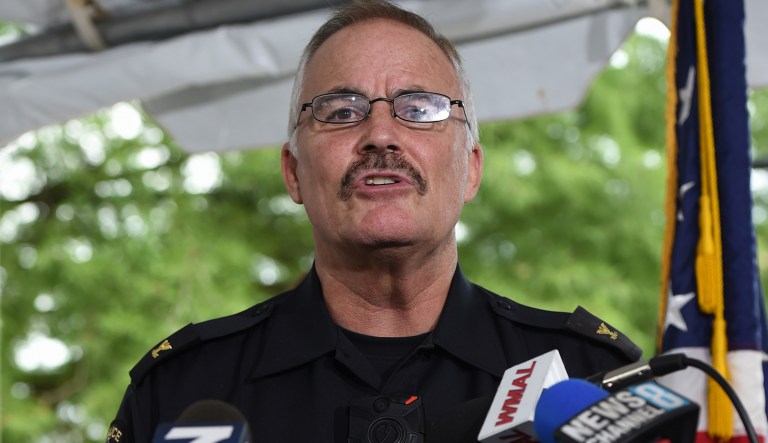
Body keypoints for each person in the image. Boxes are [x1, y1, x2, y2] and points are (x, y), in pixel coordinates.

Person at [107, 1, 641, 441]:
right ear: (293, 173)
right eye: (341, 110)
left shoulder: (588, 373)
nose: (380, 133)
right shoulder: (183, 389)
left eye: (420, 107)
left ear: (470, 170)